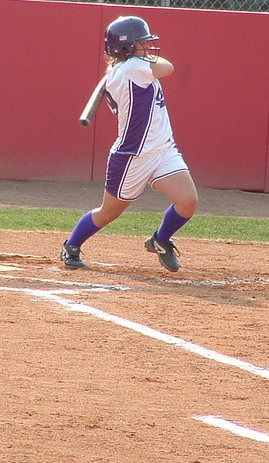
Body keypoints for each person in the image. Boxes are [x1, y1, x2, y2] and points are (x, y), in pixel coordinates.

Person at [60, 15, 198, 273]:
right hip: (132, 156)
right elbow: (168, 67)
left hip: (163, 149)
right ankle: (71, 245)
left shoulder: (127, 68)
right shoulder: (132, 68)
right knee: (108, 213)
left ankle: (160, 240)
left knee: (188, 201)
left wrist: (140, 57)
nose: (147, 48)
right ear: (126, 48)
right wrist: (141, 59)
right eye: (141, 43)